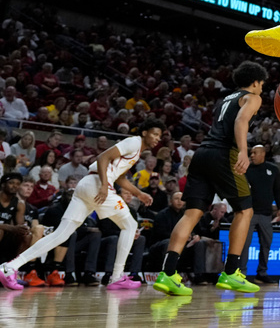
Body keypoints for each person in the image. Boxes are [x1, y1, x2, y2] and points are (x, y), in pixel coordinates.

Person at [0, 119, 166, 291]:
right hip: (97, 185)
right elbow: (103, 157)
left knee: (60, 235)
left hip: (87, 185)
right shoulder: (133, 142)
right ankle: (117, 277)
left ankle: (9, 267)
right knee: (130, 225)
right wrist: (103, 185)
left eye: (159, 136)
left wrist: (139, 193)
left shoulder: (136, 150)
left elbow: (120, 177)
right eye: (154, 134)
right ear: (145, 132)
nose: (157, 138)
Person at [153, 61, 267, 296]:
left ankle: (167, 274)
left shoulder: (225, 99)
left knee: (191, 213)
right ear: (255, 82)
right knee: (244, 210)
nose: (262, 89)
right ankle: (232, 272)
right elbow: (240, 121)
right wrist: (244, 152)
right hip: (223, 155)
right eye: (262, 85)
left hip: (201, 153)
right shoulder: (253, 97)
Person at [244, 144, 280, 284]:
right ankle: (241, 273)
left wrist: (279, 207)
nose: (251, 155)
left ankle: (262, 272)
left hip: (266, 214)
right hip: (249, 213)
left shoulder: (273, 169)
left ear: (263, 154)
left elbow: (277, 189)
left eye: (254, 152)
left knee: (266, 244)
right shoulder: (246, 169)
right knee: (244, 244)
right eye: (251, 153)